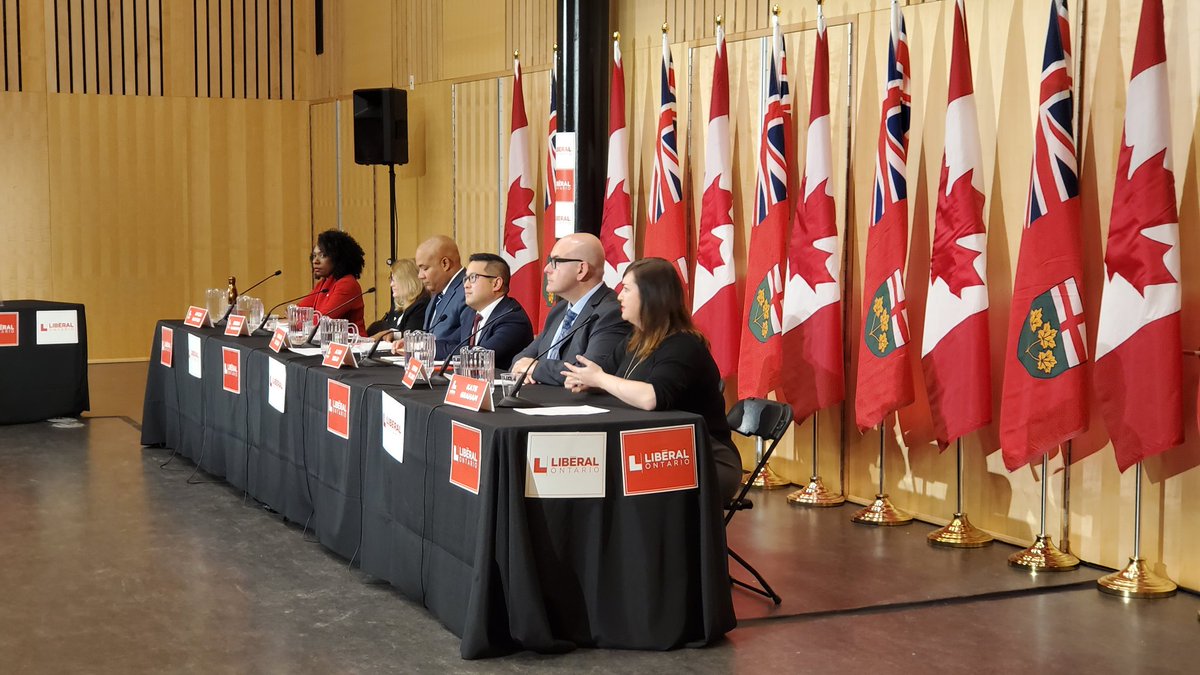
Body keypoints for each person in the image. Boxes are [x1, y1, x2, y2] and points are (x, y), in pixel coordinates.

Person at [561, 257, 742, 502]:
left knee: (609, 483)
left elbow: (651, 397)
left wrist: (600, 379)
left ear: (651, 295)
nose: (619, 297)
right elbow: (608, 376)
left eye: (626, 289)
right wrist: (587, 380)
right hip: (652, 450)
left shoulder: (683, 345)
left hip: (703, 457)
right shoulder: (635, 340)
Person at [509, 233, 630, 385]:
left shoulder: (612, 312)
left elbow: (588, 373)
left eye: (555, 262)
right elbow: (521, 359)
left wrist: (535, 369)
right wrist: (523, 369)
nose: (546, 269)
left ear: (581, 269)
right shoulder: (559, 310)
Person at [458, 253, 534, 370]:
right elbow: (456, 347)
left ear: (496, 284)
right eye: (466, 279)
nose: (466, 285)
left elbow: (480, 358)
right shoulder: (469, 314)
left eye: (473, 278)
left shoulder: (513, 319)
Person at [408, 235, 472, 360]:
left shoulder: (468, 292)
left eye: (424, 268)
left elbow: (467, 348)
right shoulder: (438, 291)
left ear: (445, 264)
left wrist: (425, 348)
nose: (420, 276)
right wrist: (413, 344)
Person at [299, 229, 367, 334]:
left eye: (323, 255)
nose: (315, 261)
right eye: (314, 256)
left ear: (338, 258)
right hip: (326, 341)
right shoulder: (324, 283)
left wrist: (297, 322)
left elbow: (322, 321)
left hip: (351, 343)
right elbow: (298, 312)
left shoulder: (347, 284)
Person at [366, 258, 430, 337]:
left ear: (408, 281)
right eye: (391, 280)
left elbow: (411, 336)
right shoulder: (397, 305)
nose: (391, 285)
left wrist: (390, 335)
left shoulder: (421, 305)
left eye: (394, 280)